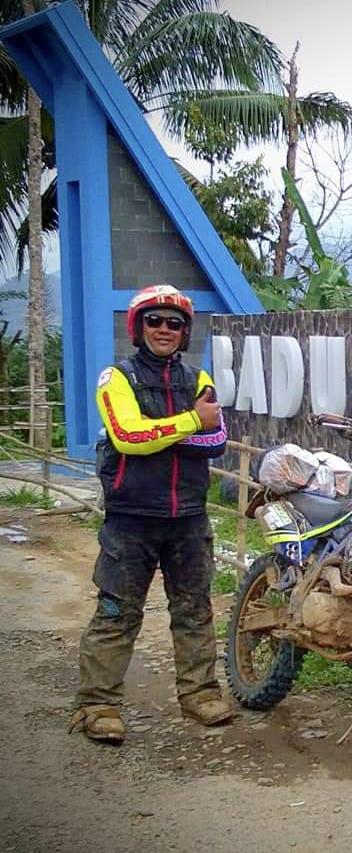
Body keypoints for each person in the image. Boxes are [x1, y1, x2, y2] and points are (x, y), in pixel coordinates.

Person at [70, 284, 233, 743]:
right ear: (139, 327)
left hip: (188, 518)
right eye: (154, 321)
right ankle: (98, 705)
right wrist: (187, 424)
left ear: (185, 333)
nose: (164, 329)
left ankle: (200, 694)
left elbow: (216, 440)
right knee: (117, 611)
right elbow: (126, 436)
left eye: (175, 323)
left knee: (195, 609)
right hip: (131, 518)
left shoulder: (198, 379)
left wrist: (165, 431)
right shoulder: (116, 378)